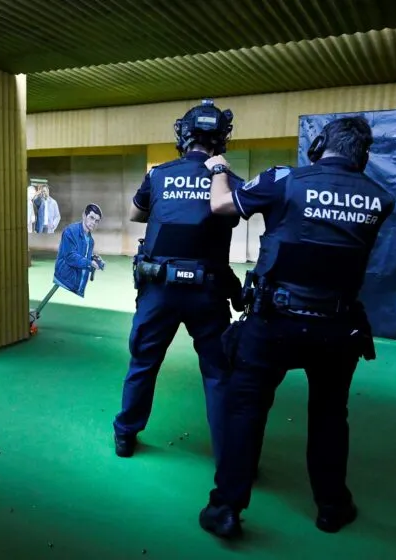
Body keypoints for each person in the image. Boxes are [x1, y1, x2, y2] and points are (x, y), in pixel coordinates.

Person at [199, 116, 396, 539]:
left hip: (274, 322)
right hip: (338, 327)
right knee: (329, 415)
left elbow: (221, 206)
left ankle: (226, 508)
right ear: (363, 156)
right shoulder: (381, 198)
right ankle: (332, 508)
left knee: (245, 408)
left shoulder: (284, 180)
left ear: (319, 144)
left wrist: (218, 169)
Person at [112, 99, 246, 461]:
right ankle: (228, 454)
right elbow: (235, 214)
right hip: (209, 293)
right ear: (222, 138)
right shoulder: (228, 180)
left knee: (143, 364)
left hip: (159, 290)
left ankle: (126, 435)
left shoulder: (158, 175)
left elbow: (136, 214)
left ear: (183, 135)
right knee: (217, 374)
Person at [52, 204, 103, 298]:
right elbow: (70, 257)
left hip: (78, 286)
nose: (93, 223)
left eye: (97, 221)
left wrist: (93, 259)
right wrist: (90, 262)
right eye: (91, 218)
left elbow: (83, 256)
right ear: (84, 215)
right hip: (65, 280)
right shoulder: (70, 231)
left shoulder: (91, 241)